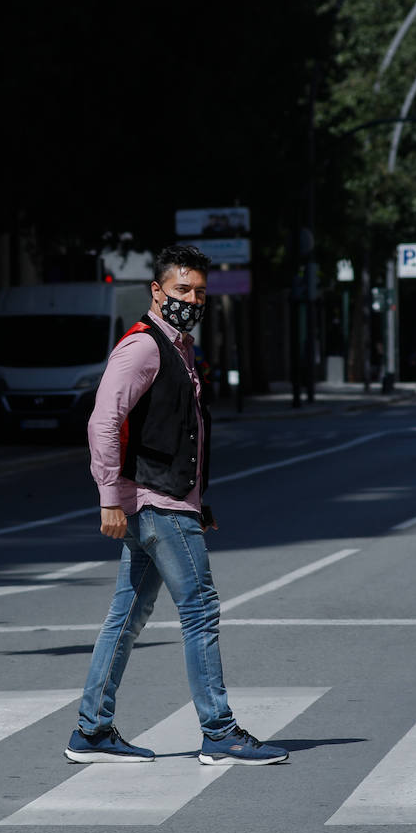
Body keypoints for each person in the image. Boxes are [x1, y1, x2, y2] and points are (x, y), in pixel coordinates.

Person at [65, 245, 288, 766]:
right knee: (200, 610)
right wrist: (107, 498)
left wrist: (197, 500)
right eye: (182, 290)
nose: (192, 299)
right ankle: (219, 731)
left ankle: (92, 731)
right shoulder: (143, 348)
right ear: (157, 292)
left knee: (127, 615)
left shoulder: (180, 347)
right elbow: (101, 421)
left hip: (169, 500)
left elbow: (175, 430)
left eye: (200, 292)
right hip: (153, 502)